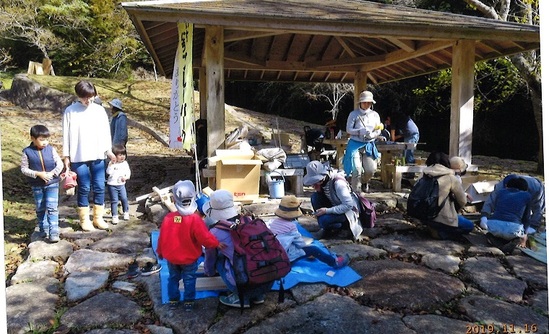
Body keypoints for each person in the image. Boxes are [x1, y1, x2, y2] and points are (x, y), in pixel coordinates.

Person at [155, 180, 224, 312]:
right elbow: (205, 237)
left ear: (174, 199)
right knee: (189, 279)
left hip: (172, 258)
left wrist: (160, 252)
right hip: (189, 258)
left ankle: (173, 300)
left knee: (173, 278)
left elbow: (162, 237)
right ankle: (188, 302)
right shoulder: (195, 219)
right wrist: (216, 243)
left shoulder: (169, 218)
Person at [203, 189, 271, 308]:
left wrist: (209, 272)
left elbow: (210, 257)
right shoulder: (247, 221)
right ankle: (258, 296)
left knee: (219, 257)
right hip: (267, 279)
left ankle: (241, 299)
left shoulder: (215, 232)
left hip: (244, 283)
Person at [62, 80, 116, 231]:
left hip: (98, 154)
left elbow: (106, 133)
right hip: (78, 156)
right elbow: (65, 135)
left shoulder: (99, 111)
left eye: (91, 97)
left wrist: (109, 151)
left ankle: (98, 218)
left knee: (99, 186)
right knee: (84, 187)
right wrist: (66, 157)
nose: (89, 100)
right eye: (85, 97)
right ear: (78, 96)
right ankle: (84, 219)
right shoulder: (70, 111)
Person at [266, 195, 350, 268]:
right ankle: (334, 262)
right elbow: (300, 244)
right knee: (313, 249)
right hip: (284, 258)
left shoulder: (271, 221)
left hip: (271, 254)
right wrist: (307, 244)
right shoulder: (291, 226)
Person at [20, 125, 64, 242]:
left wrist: (52, 174)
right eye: (41, 139)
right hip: (37, 184)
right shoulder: (27, 152)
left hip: (52, 183)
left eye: (46, 139)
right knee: (40, 207)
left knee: (52, 207)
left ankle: (54, 231)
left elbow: (60, 164)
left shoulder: (51, 149)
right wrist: (38, 174)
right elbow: (24, 169)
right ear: (33, 138)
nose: (45, 142)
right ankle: (43, 229)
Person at [303, 160, 363, 241]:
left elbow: (348, 205)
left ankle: (340, 227)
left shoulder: (338, 183)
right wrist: (320, 191)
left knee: (324, 220)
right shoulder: (323, 183)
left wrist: (327, 211)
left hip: (348, 212)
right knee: (315, 197)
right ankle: (327, 228)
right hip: (335, 206)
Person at [421, 151, 474, 240]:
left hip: (423, 214)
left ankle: (432, 227)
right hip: (441, 217)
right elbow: (463, 201)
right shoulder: (451, 178)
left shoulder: (424, 174)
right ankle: (441, 233)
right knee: (469, 226)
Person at [343, 90, 384, 192]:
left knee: (371, 169)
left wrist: (373, 135)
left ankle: (364, 181)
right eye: (365, 102)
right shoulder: (353, 114)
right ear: (360, 102)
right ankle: (355, 192)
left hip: (369, 144)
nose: (367, 104)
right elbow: (348, 129)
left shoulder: (375, 115)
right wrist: (359, 131)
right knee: (356, 169)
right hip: (355, 144)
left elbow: (378, 129)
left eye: (369, 102)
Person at [479, 177, 531, 254]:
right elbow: (526, 217)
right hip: (513, 228)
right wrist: (525, 235)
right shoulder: (527, 195)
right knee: (516, 236)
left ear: (508, 186)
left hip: (494, 226)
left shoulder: (500, 192)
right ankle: (514, 242)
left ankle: (495, 241)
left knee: (491, 234)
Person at [106, 144, 131, 225]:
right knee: (114, 201)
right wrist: (111, 165)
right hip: (112, 185)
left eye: (123, 154)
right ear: (115, 155)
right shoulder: (112, 163)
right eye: (120, 155)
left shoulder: (125, 163)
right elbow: (108, 172)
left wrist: (126, 177)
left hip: (121, 184)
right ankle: (114, 216)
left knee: (124, 198)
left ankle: (126, 212)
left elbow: (128, 172)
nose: (122, 157)